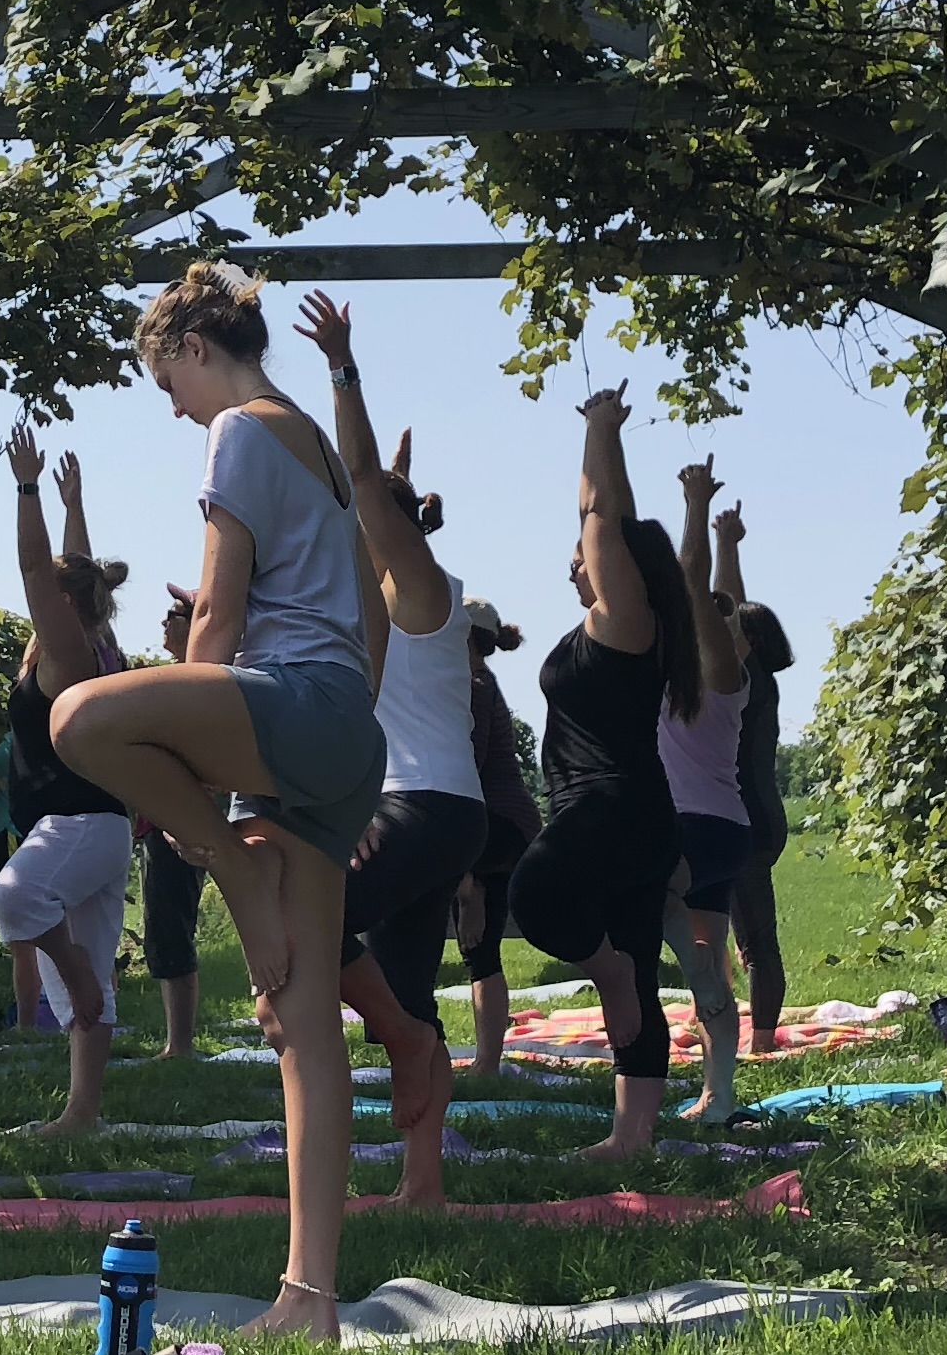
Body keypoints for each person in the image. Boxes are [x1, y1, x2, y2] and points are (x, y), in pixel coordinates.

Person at [51, 264, 384, 1344]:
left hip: (295, 715)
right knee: (302, 1026)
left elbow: (218, 621)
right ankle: (309, 1299)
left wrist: (201, 802)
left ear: (195, 348)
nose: (174, 407)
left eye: (167, 382)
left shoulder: (239, 430)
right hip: (337, 738)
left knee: (80, 720)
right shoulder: (318, 448)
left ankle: (230, 865)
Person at [291, 296, 479, 1214]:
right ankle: (423, 1187)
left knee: (306, 930)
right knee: (404, 979)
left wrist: (342, 365)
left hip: (426, 804)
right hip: (431, 807)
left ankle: (402, 1040)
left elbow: (361, 475)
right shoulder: (389, 593)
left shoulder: (421, 585)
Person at [504, 386, 700, 1165]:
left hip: (612, 809)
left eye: (587, 558)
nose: (576, 564)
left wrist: (599, 430)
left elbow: (601, 517)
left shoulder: (627, 622)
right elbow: (600, 524)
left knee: (535, 897)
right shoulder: (622, 629)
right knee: (642, 979)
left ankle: (606, 971)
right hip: (636, 816)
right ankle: (632, 1138)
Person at [0, 425, 135, 1134]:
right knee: (87, 983)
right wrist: (73, 501)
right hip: (98, 828)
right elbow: (73, 570)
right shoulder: (97, 643)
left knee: (17, 901)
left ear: (65, 605)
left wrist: (25, 491)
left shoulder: (73, 649)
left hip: (78, 825)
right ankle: (83, 1113)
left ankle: (73, 969)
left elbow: (37, 569)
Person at [656, 460, 755, 1125]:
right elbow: (722, 600)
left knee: (645, 905)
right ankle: (719, 1096)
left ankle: (694, 984)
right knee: (714, 961)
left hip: (691, 827)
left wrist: (692, 505)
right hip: (724, 832)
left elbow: (701, 593)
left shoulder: (715, 673)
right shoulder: (726, 675)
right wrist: (728, 544)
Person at [718, 507, 797, 1053]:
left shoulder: (744, 681)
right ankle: (746, 1025)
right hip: (761, 815)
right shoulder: (761, 680)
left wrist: (722, 544)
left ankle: (762, 1040)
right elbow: (733, 612)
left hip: (745, 823)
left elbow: (725, 611)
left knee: (754, 939)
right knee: (741, 933)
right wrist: (729, 542)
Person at [456, 609, 540, 1087]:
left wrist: (466, 877)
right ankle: (488, 1060)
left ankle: (487, 1060)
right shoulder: (480, 680)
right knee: (482, 951)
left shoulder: (472, 685)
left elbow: (466, 765)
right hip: (506, 825)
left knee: (478, 943)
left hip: (493, 824)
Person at [136, 585, 208, 1059]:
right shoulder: (177, 683)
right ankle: (174, 1041)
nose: (164, 622)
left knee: (170, 926)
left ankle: (180, 1044)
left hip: (180, 821)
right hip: (160, 820)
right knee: (162, 927)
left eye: (174, 614)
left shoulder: (199, 687)